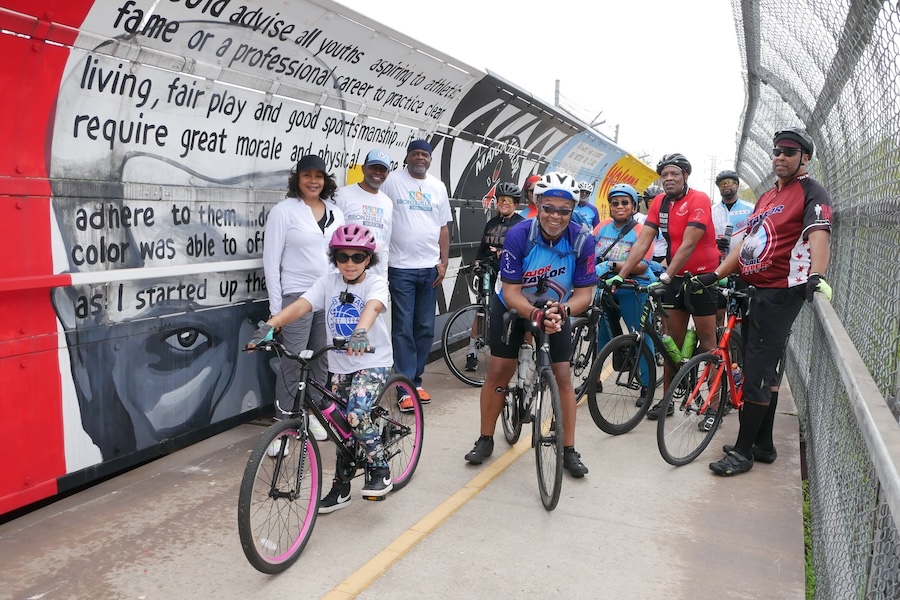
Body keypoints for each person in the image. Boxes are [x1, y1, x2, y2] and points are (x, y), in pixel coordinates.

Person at [707, 128, 832, 476]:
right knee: (759, 370)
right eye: (777, 151)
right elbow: (745, 242)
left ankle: (743, 452)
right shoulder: (766, 197)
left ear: (804, 158)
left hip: (781, 292)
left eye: (789, 152)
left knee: (757, 374)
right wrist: (715, 275)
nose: (780, 156)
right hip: (755, 291)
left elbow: (819, 233)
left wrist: (816, 274)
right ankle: (763, 445)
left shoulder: (811, 191)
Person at [250, 224, 394, 508]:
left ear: (369, 259)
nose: (349, 264)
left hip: (373, 361)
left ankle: (380, 466)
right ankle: (342, 486)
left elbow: (373, 307)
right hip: (340, 363)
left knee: (354, 415)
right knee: (339, 424)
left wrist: (361, 331)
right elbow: (303, 305)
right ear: (334, 258)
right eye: (342, 257)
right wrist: (271, 325)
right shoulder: (328, 281)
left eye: (357, 257)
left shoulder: (374, 283)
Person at [464, 172, 597, 478]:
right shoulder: (519, 234)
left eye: (564, 210)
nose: (555, 216)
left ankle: (569, 450)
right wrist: (534, 315)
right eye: (549, 208)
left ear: (573, 211)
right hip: (514, 302)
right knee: (499, 369)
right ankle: (485, 438)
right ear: (538, 204)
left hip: (555, 308)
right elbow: (510, 293)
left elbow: (585, 295)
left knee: (563, 375)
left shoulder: (582, 240)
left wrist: (560, 312)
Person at [608, 154, 720, 422]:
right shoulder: (659, 202)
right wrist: (621, 275)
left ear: (685, 176)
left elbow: (689, 244)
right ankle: (667, 400)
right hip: (676, 278)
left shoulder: (699, 199)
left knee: (708, 345)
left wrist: (667, 275)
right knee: (672, 343)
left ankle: (714, 406)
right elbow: (643, 241)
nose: (669, 178)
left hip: (702, 278)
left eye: (675, 174)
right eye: (665, 174)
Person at [264, 155, 345, 442]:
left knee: (322, 358)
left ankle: (314, 415)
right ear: (297, 179)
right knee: (293, 360)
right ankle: (282, 427)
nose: (313, 181)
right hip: (297, 295)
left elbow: (342, 256)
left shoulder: (336, 212)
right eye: (307, 175)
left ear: (326, 181)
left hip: (329, 295)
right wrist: (277, 312)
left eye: (319, 176)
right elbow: (271, 264)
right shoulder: (284, 211)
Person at [380, 140, 452, 409]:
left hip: (430, 269)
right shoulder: (392, 181)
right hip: (400, 268)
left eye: (425, 154)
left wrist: (443, 262)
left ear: (430, 159)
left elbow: (443, 228)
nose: (420, 158)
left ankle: (416, 381)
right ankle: (403, 387)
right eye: (416, 154)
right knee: (403, 328)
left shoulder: (438, 186)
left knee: (424, 328)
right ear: (407, 157)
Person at [592, 183, 657, 406]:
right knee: (601, 336)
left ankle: (647, 386)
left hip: (634, 289)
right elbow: (589, 254)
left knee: (641, 336)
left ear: (633, 206)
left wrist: (610, 265)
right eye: (614, 203)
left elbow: (642, 265)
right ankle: (594, 380)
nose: (619, 206)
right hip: (606, 289)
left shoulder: (641, 230)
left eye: (624, 203)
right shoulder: (601, 227)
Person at [465, 181, 526, 371]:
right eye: (501, 199)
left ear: (516, 203)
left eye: (508, 200)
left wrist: (505, 253)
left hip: (510, 276)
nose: (504, 203)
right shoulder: (491, 223)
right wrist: (477, 263)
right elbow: (482, 248)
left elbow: (524, 251)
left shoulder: (521, 224)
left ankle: (522, 352)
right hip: (490, 272)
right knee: (481, 311)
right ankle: (472, 352)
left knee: (515, 312)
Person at [335, 149, 394, 277]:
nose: (377, 172)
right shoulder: (342, 195)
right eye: (373, 167)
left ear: (388, 173)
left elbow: (385, 245)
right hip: (347, 275)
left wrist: (384, 278)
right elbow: (331, 237)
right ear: (363, 168)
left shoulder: (387, 202)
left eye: (382, 169)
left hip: (375, 278)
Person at [711, 170, 755, 325]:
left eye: (730, 182)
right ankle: (719, 346)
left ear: (737, 185)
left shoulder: (750, 209)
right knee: (718, 312)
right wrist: (715, 244)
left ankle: (740, 345)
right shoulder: (712, 211)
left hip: (743, 267)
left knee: (744, 314)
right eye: (722, 184)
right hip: (719, 267)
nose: (726, 186)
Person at [641, 185, 668, 264]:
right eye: (650, 202)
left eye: (657, 202)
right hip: (645, 257)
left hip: (665, 258)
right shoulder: (641, 220)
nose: (654, 205)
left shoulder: (670, 219)